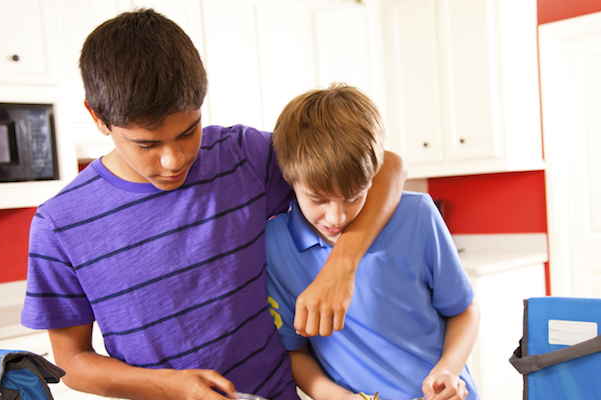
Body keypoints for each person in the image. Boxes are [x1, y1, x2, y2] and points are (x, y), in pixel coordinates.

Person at [20, 9, 406, 400]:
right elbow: (71, 361)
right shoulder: (59, 225)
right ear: (98, 117)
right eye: (147, 144)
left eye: (189, 131)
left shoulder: (243, 157)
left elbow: (388, 165)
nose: (174, 160)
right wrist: (172, 386)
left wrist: (342, 267)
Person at [266, 83, 480, 400]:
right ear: (288, 177)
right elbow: (294, 352)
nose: (336, 217)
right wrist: (339, 398)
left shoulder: (418, 215)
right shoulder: (275, 245)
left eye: (353, 197)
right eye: (319, 199)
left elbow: (465, 310)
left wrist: (448, 370)